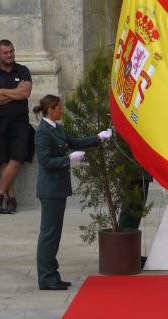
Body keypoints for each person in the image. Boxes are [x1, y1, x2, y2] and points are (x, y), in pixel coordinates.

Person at [33, 94, 112, 290]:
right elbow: (46, 162)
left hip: (58, 188)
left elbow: (74, 142)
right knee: (49, 234)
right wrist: (69, 159)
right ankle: (46, 277)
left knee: (55, 233)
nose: (61, 110)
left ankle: (52, 274)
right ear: (50, 110)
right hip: (50, 189)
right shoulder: (43, 132)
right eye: (59, 108)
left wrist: (98, 138)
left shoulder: (56, 128)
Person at [0, 39, 33, 213]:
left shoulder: (23, 70)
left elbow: (25, 93)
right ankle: (10, 199)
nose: (10, 55)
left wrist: (2, 91)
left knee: (17, 158)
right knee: (3, 160)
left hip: (20, 122)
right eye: (5, 52)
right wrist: (14, 93)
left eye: (11, 51)